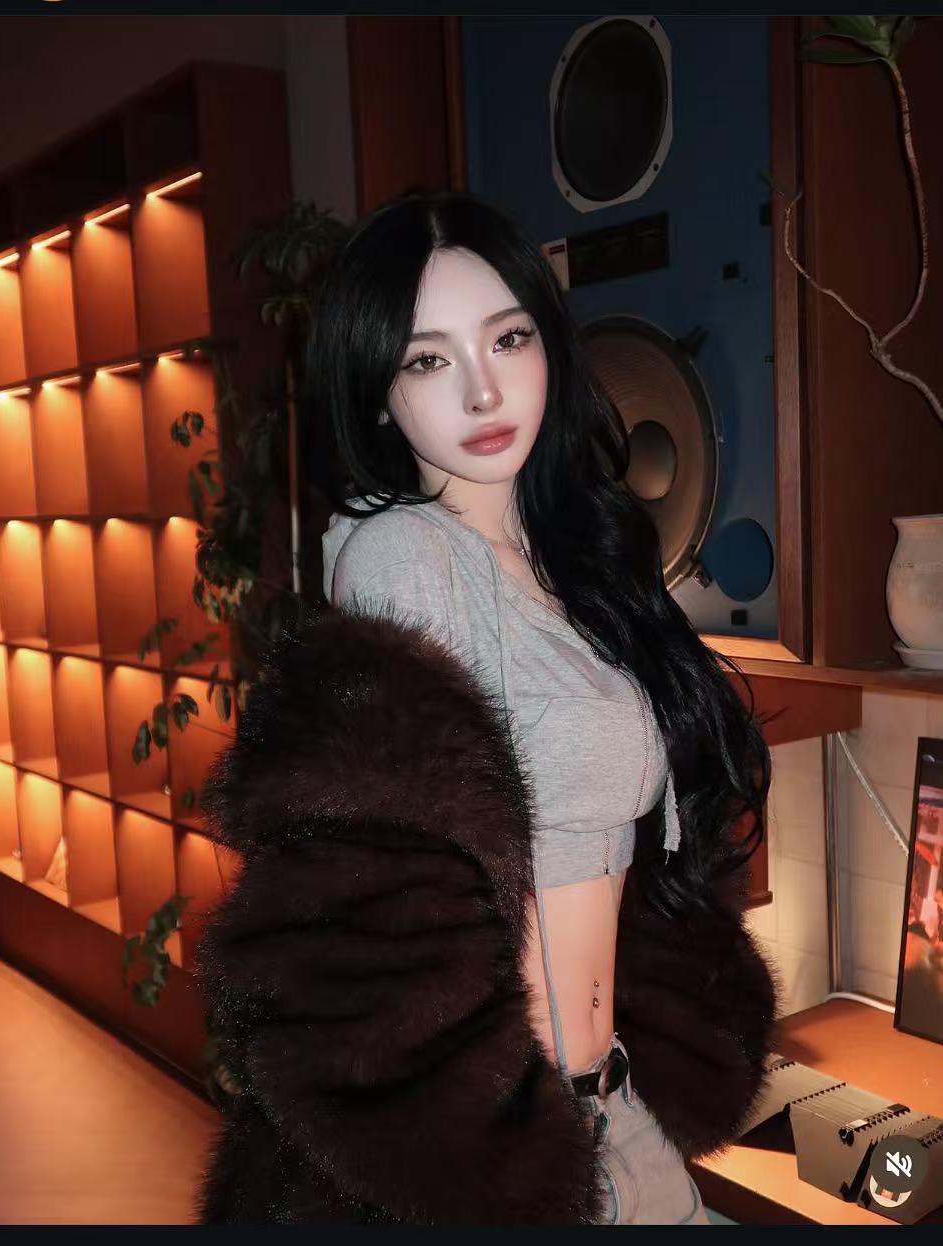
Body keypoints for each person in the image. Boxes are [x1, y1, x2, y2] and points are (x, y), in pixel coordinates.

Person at [193, 190, 782, 1225]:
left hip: (609, 1105)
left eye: (507, 338)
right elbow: (391, 907)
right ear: (378, 396)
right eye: (427, 360)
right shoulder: (406, 556)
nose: (481, 388)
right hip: (499, 1157)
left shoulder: (577, 553)